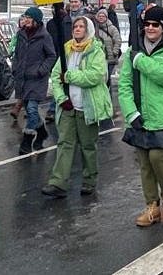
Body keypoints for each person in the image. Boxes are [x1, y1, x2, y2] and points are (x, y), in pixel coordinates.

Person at [118, 5, 163, 227]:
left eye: (155, 25)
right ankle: (151, 206)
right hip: (140, 116)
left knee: (158, 157)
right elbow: (125, 86)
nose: (150, 28)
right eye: (146, 24)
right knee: (145, 163)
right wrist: (131, 112)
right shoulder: (133, 52)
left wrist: (140, 61)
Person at [42, 15, 114, 197]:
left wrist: (70, 76)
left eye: (81, 26)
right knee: (65, 143)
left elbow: (95, 76)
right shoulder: (67, 50)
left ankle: (90, 180)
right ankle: (58, 183)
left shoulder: (96, 51)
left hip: (87, 107)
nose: (77, 29)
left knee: (88, 146)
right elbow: (57, 76)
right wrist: (60, 98)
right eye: (75, 26)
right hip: (68, 107)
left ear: (88, 29)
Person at [12, 7, 55, 155]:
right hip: (23, 78)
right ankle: (41, 131)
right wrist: (15, 67)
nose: (26, 20)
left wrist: (41, 70)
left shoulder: (44, 37)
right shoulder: (21, 34)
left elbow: (51, 56)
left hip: (37, 79)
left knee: (31, 108)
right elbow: (17, 54)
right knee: (31, 110)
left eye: (29, 18)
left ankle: (27, 140)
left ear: (36, 20)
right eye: (25, 17)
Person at [94, 8, 122, 84]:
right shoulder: (94, 29)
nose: (101, 17)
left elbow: (118, 40)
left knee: (108, 78)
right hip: (98, 58)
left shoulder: (112, 28)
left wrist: (115, 52)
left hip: (110, 58)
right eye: (99, 16)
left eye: (103, 16)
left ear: (106, 17)